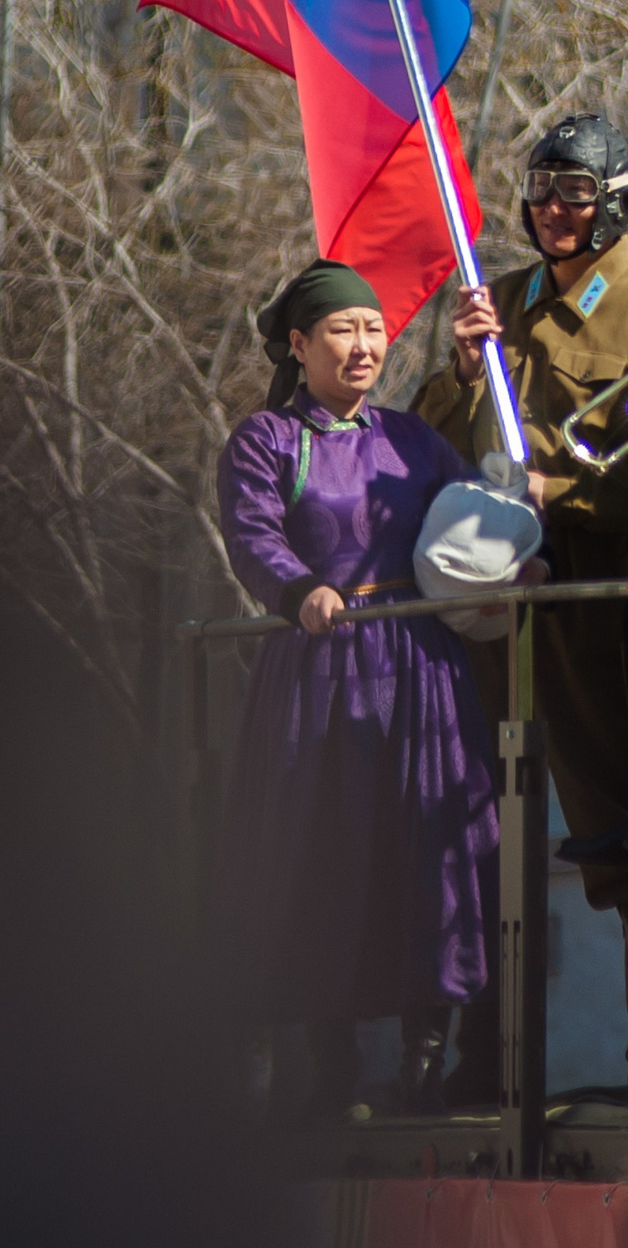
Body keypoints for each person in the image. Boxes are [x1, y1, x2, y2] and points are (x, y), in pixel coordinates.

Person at [413, 114, 628, 1091]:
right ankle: (481, 1054)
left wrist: (565, 497)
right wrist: (460, 373)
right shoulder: (496, 302)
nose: (551, 211)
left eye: (573, 194)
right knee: (479, 826)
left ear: (615, 200)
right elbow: (431, 442)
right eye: (540, 192)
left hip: (595, 586)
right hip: (498, 598)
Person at [214, 260, 499, 1117]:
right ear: (299, 345)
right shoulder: (267, 441)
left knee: (433, 851)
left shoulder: (411, 438)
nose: (365, 343)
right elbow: (251, 531)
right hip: (323, 671)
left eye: (374, 328)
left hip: (421, 674)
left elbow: (470, 505)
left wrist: (515, 543)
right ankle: (328, 1061)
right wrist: (299, 588)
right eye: (344, 328)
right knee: (324, 854)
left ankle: (425, 1056)